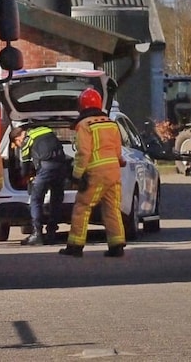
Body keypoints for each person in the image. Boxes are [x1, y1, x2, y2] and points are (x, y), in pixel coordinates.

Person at [59, 88, 127, 258]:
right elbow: (118, 150)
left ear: (82, 105)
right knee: (112, 208)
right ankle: (117, 244)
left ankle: (75, 245)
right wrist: (119, 161)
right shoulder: (111, 123)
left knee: (82, 207)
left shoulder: (84, 125)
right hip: (113, 172)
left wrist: (77, 174)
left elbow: (83, 153)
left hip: (95, 173)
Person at [14, 123, 69, 246]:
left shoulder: (27, 140)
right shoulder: (48, 131)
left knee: (36, 199)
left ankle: (37, 234)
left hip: (45, 169)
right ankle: (51, 233)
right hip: (61, 168)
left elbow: (24, 168)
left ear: (18, 138)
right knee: (56, 200)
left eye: (16, 143)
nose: (18, 145)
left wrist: (27, 178)